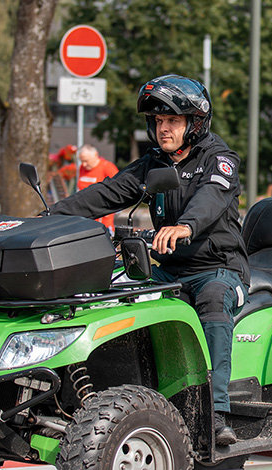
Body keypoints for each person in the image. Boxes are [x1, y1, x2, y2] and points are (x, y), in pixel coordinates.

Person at [52, 75, 248, 446]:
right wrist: (51, 216)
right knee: (115, 298)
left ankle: (216, 413)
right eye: (158, 122)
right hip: (168, 271)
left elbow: (210, 200)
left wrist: (185, 227)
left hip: (218, 270)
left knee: (212, 298)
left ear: (195, 122)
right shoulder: (153, 165)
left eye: (172, 121)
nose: (163, 129)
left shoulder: (219, 160)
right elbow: (106, 193)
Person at [76, 144, 120, 230]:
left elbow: (118, 187)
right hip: (85, 211)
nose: (84, 164)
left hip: (102, 213)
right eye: (82, 161)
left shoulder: (107, 167)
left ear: (95, 155)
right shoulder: (82, 168)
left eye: (86, 161)